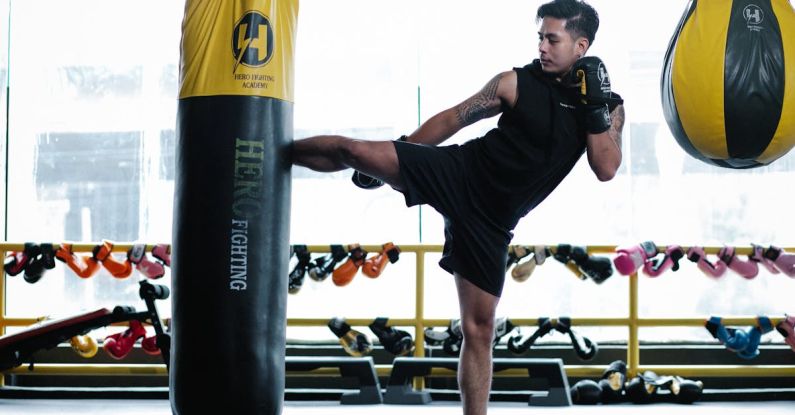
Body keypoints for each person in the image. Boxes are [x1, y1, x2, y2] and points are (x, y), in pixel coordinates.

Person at [292, 0, 624, 413]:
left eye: (551, 39)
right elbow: (455, 119)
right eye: (539, 37)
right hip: (459, 172)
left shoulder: (608, 106)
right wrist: (406, 148)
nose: (541, 46)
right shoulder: (514, 82)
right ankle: (275, 151)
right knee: (354, 150)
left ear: (581, 45)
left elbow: (606, 167)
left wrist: (593, 107)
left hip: (493, 222)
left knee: (478, 329)